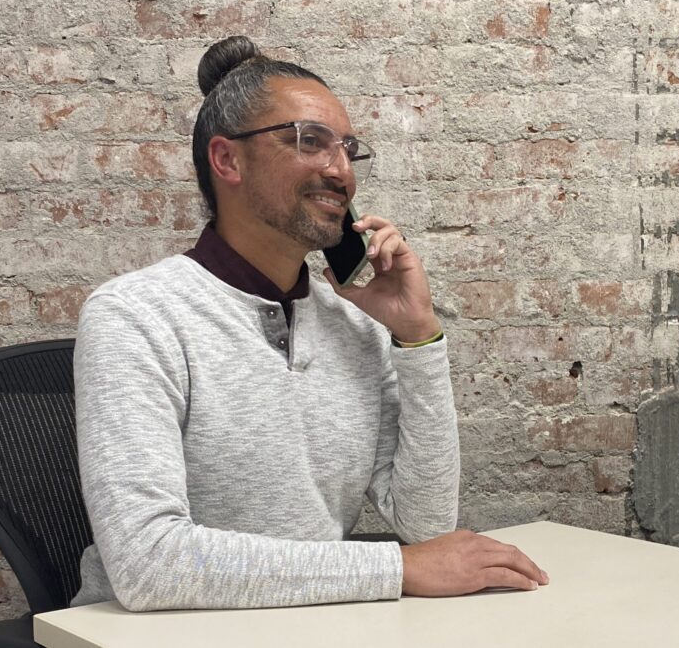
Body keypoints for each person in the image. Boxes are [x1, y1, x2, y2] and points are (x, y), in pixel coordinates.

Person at [71, 36, 548, 611]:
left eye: (348, 149)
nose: (341, 170)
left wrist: (417, 336)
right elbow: (147, 564)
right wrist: (398, 568)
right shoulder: (135, 315)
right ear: (227, 160)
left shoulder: (355, 325)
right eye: (310, 141)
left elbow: (425, 525)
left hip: (313, 624)